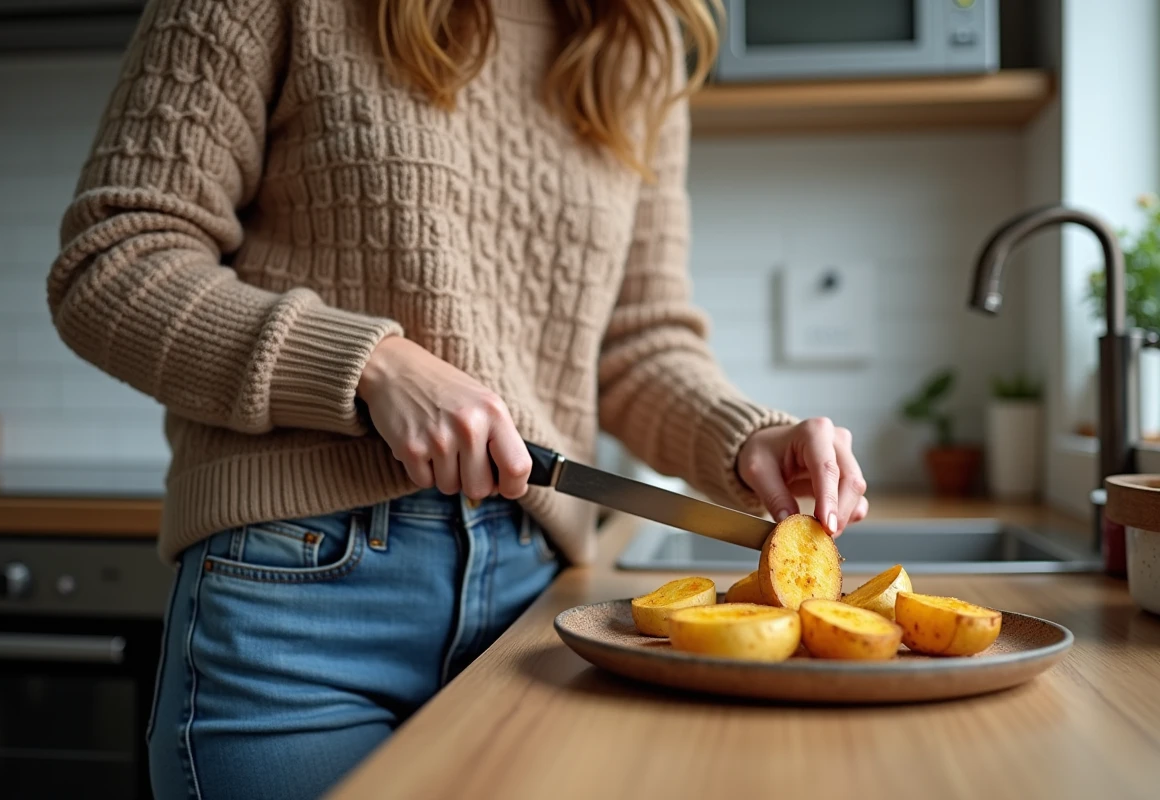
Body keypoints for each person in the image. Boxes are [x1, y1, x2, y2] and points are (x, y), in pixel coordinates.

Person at [48, 0, 869, 797]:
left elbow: (635, 343)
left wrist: (744, 437)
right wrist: (374, 366)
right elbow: (115, 259)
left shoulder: (637, 34)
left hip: (530, 605)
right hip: (298, 605)